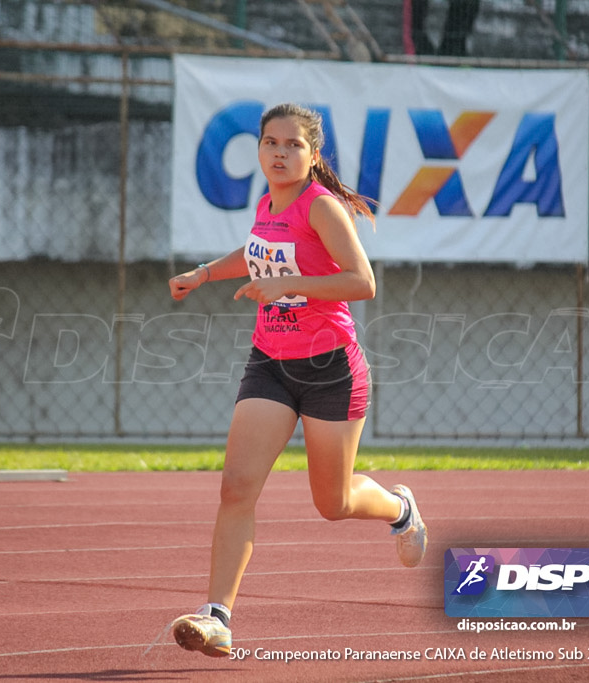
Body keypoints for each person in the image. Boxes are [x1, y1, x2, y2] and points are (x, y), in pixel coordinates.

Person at [165, 103, 429, 658]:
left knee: (332, 502)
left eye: (292, 145)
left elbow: (362, 282)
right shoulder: (266, 202)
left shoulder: (322, 207)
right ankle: (217, 618)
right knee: (236, 486)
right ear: (258, 149)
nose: (279, 153)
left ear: (312, 156)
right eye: (270, 143)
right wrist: (205, 273)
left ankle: (401, 510)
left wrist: (293, 282)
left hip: (330, 366)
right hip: (271, 361)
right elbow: (257, 252)